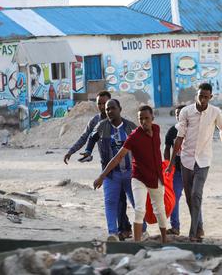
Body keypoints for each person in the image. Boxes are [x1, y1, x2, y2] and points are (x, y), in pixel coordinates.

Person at [167, 83, 222, 242]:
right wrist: (172, 163)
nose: (203, 99)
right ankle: (199, 228)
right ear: (196, 96)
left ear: (210, 97)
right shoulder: (186, 112)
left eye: (206, 97)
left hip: (204, 160)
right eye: (201, 96)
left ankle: (192, 234)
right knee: (189, 198)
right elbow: (179, 137)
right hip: (186, 159)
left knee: (196, 194)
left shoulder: (215, 112)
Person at [94, 105, 168, 243]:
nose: (144, 121)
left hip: (155, 177)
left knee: (160, 210)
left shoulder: (157, 129)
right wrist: (102, 176)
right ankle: (137, 242)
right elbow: (118, 157)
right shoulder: (133, 136)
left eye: (147, 118)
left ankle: (164, 239)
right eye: (141, 119)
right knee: (140, 209)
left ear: (153, 118)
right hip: (138, 178)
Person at [63, 92, 132, 240]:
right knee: (113, 199)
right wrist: (74, 151)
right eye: (99, 104)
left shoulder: (124, 124)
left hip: (124, 167)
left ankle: (125, 228)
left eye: (104, 104)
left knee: (123, 199)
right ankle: (119, 230)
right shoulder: (96, 122)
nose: (102, 107)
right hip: (107, 167)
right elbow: (86, 138)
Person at [87, 99, 137, 241]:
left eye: (112, 108)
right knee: (110, 203)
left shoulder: (130, 126)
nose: (109, 111)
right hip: (111, 174)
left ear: (120, 108)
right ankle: (112, 234)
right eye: (107, 109)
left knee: (136, 203)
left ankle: (142, 231)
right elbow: (91, 139)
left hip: (130, 173)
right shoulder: (102, 126)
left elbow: (140, 145)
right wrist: (87, 151)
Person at [163, 105, 185, 236]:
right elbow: (166, 149)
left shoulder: (193, 129)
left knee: (194, 199)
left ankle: (198, 228)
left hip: (192, 169)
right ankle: (175, 227)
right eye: (177, 114)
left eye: (181, 113)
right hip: (176, 171)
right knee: (174, 198)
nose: (178, 116)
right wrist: (167, 164)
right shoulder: (172, 131)